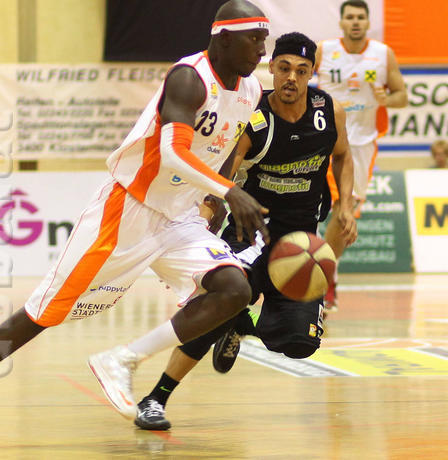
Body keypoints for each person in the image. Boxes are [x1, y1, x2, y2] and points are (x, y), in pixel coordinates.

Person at [0, 0, 271, 450]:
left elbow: (219, 145)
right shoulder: (189, 78)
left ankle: (123, 360)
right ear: (223, 37)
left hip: (180, 217)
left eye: (264, 39)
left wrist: (210, 197)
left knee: (234, 290)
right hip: (126, 210)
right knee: (44, 311)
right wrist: (228, 191)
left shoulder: (251, 90)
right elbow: (173, 153)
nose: (262, 49)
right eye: (254, 38)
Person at [133, 32, 357, 431]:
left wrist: (345, 206)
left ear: (311, 74)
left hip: (300, 242)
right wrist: (207, 211)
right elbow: (224, 175)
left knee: (300, 344)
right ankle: (155, 398)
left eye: (301, 71)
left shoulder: (329, 111)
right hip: (251, 232)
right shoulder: (255, 118)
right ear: (272, 69)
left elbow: (343, 156)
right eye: (284, 68)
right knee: (215, 310)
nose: (291, 78)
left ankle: (240, 324)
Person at [315, 0, 407, 311]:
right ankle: (316, 277)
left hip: (361, 144)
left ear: (368, 23)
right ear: (341, 22)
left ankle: (327, 275)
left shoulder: (383, 54)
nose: (355, 22)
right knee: (322, 209)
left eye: (360, 17)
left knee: (345, 211)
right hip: (323, 138)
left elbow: (402, 96)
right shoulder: (325, 50)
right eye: (350, 17)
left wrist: (387, 98)